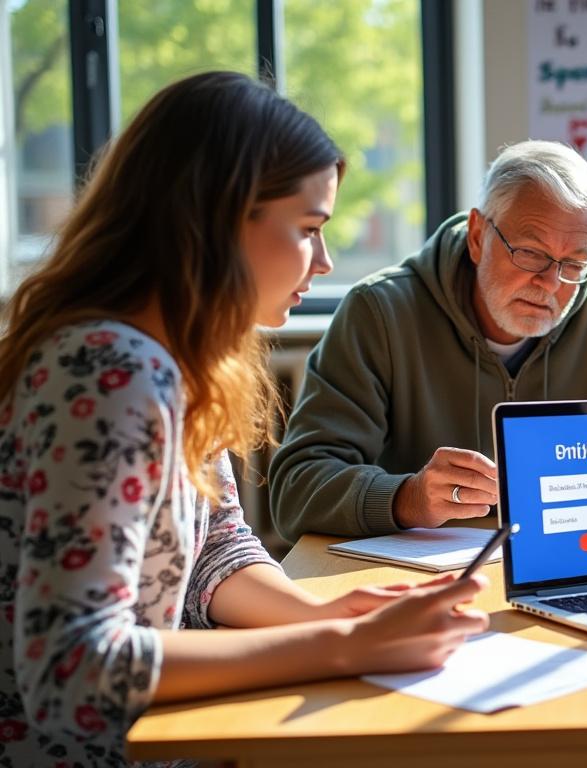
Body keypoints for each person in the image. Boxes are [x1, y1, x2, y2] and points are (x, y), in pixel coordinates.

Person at [0, 72, 488, 767]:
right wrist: (341, 646)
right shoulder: (112, 373)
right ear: (218, 217)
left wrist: (322, 616)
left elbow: (215, 547)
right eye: (308, 229)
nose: (323, 261)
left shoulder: (178, 360)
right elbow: (72, 671)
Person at [269, 140, 587, 541]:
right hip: (419, 583)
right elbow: (297, 489)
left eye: (573, 263)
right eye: (530, 253)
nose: (550, 283)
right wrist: (408, 498)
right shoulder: (380, 311)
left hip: (570, 560)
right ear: (477, 236)